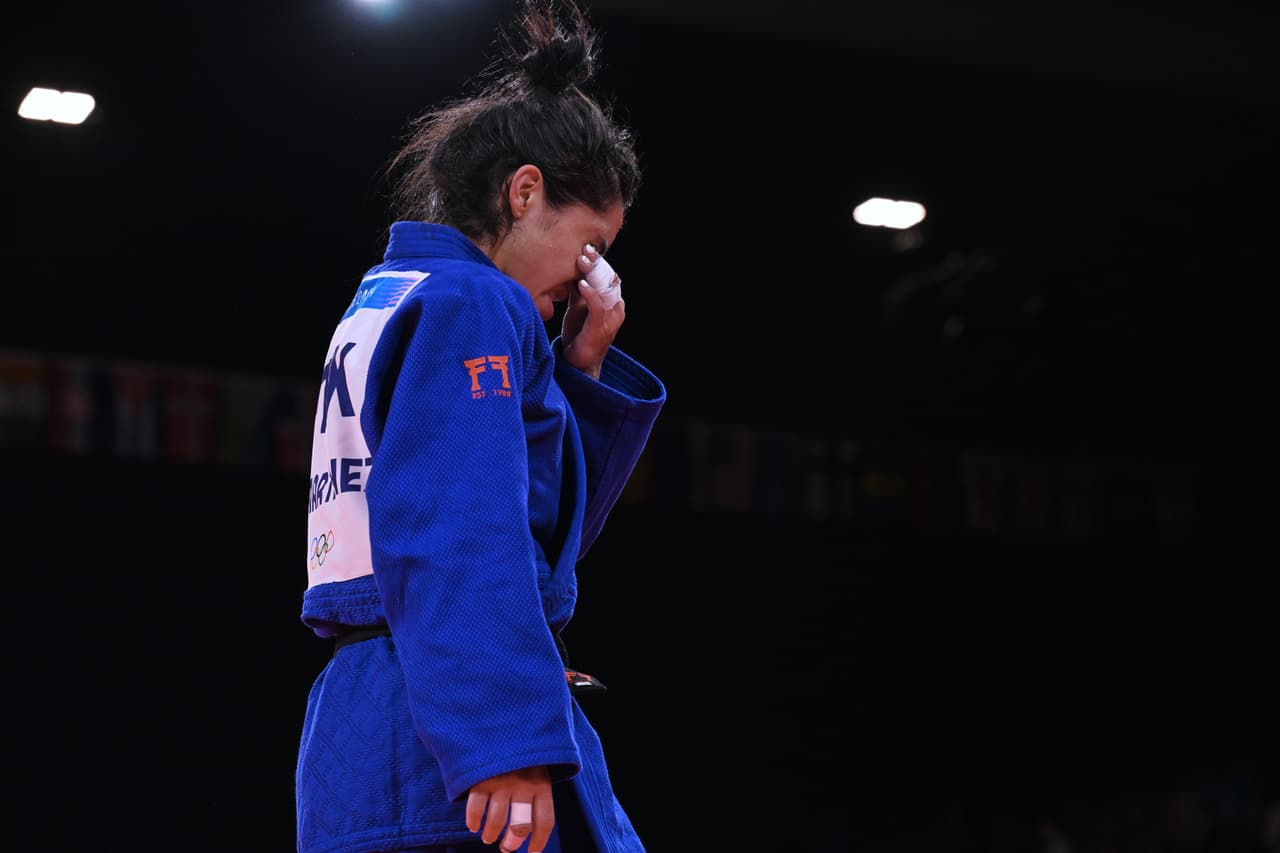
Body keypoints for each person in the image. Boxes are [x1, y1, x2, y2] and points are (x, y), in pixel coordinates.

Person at [294, 1, 664, 851]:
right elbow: (458, 528)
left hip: (383, 714)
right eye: (590, 246)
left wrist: (579, 371)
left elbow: (518, 517)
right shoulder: (474, 300)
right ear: (525, 190)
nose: (589, 280)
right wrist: (503, 734)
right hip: (447, 729)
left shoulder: (392, 291)